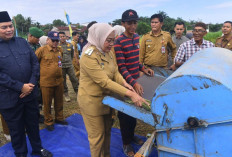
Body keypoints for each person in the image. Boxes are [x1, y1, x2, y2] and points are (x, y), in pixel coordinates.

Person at [78, 23, 149, 157]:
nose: (112, 44)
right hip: (92, 102)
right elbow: (104, 81)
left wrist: (124, 83)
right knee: (97, 138)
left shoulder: (109, 52)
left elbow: (115, 71)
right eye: (108, 40)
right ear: (98, 37)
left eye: (113, 40)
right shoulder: (88, 56)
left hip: (107, 100)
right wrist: (130, 94)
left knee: (107, 132)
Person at [0, 11, 52, 157]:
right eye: (4, 27)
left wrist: (30, 84)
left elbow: (35, 64)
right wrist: (19, 86)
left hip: (30, 94)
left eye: (10, 26)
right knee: (16, 129)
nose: (9, 29)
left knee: (33, 124)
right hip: (9, 98)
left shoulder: (22, 42)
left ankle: (38, 148)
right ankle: (21, 153)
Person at [114, 9, 154, 157]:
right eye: (129, 23)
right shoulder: (119, 42)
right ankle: (126, 143)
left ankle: (131, 136)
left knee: (134, 112)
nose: (133, 26)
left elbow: (135, 61)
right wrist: (132, 82)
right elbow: (121, 67)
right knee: (125, 114)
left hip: (136, 80)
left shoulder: (137, 37)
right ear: (123, 24)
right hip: (124, 83)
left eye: (134, 22)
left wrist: (144, 68)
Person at [36, 31, 68, 131]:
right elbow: (34, 63)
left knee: (59, 101)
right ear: (48, 40)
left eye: (56, 41)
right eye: (53, 40)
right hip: (46, 82)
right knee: (47, 102)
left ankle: (59, 118)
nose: (55, 42)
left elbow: (60, 62)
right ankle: (48, 121)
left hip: (59, 81)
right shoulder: (41, 50)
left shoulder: (59, 50)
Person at [27, 27, 45, 123]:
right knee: (31, 97)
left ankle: (37, 115)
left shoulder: (38, 46)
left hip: (38, 75)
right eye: (37, 38)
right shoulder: (24, 46)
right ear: (30, 36)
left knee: (38, 97)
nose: (39, 40)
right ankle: (32, 117)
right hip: (28, 77)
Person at [59, 32, 79, 102]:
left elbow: (72, 54)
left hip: (69, 65)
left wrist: (70, 61)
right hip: (61, 66)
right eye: (60, 36)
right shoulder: (57, 46)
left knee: (74, 78)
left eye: (63, 36)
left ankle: (77, 92)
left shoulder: (70, 45)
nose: (62, 38)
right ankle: (66, 93)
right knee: (63, 80)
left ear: (65, 37)